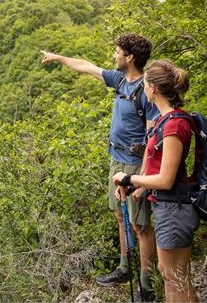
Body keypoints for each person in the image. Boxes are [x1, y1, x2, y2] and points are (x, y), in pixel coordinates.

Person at [41, 34, 158, 301]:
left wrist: (141, 180)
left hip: (135, 163)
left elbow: (153, 140)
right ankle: (124, 268)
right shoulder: (119, 80)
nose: (113, 55)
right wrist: (59, 58)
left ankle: (147, 286)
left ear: (129, 57)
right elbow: (86, 66)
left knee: (141, 225)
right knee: (120, 216)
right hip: (115, 158)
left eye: (117, 51)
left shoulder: (147, 90)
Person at [112, 59, 199, 303]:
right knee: (170, 274)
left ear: (153, 89)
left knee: (176, 279)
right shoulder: (166, 120)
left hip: (174, 209)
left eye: (145, 84)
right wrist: (135, 186)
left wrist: (129, 177)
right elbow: (159, 171)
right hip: (167, 207)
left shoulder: (173, 125)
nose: (143, 88)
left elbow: (166, 179)